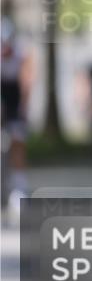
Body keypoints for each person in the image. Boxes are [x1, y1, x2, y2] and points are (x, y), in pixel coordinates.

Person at [1, 16, 33, 223]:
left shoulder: (21, 56)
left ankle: (19, 190)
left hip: (15, 104)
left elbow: (26, 84)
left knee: (17, 142)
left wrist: (22, 110)